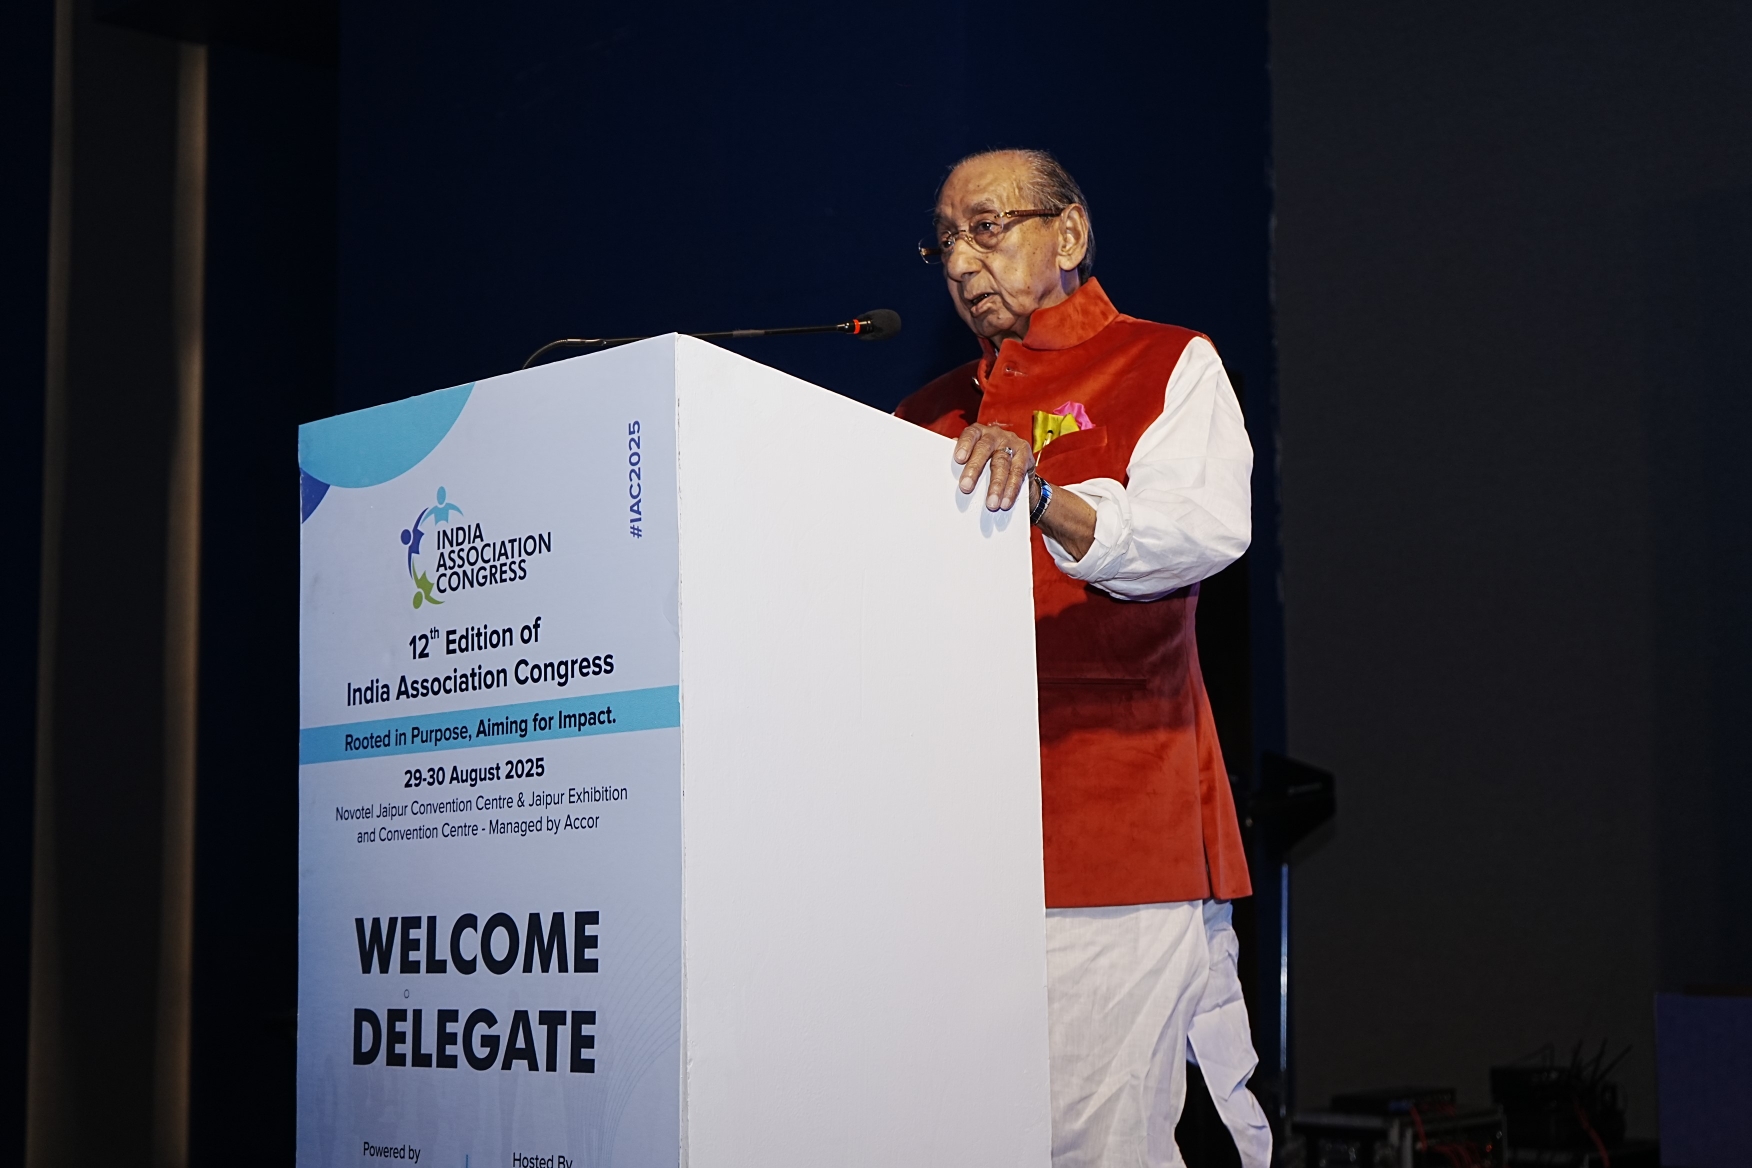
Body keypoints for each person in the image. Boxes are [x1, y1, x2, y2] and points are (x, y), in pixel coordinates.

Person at [895, 149, 1271, 1168]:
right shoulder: (923, 416)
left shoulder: (1166, 362)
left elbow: (1200, 528)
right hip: (947, 850)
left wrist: (1047, 498)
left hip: (1114, 831)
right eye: (944, 240)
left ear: (1067, 234)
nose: (959, 260)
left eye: (986, 227)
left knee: (1100, 1142)